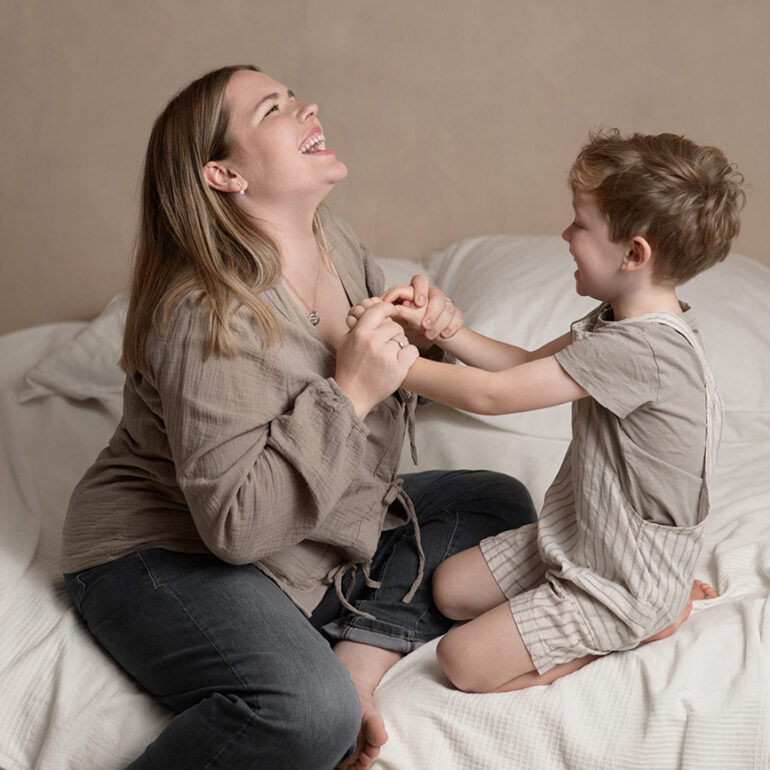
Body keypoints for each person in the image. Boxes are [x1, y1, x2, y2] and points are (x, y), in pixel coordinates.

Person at [60, 64, 536, 770]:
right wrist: (350, 392)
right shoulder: (203, 315)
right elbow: (236, 530)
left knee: (494, 503)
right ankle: (329, 682)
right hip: (166, 551)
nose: (307, 106)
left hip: (304, 533)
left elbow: (393, 384)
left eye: (292, 97)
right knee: (309, 714)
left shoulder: (332, 242)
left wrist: (426, 340)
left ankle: (358, 657)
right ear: (225, 174)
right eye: (274, 108)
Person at [353, 129, 743, 693]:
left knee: (462, 662)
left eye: (580, 224)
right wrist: (444, 332)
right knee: (451, 588)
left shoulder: (645, 350)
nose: (565, 234)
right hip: (585, 539)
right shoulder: (619, 322)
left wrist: (386, 362)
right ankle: (629, 611)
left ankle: (650, 623)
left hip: (626, 578)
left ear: (634, 254)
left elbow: (493, 396)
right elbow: (521, 365)